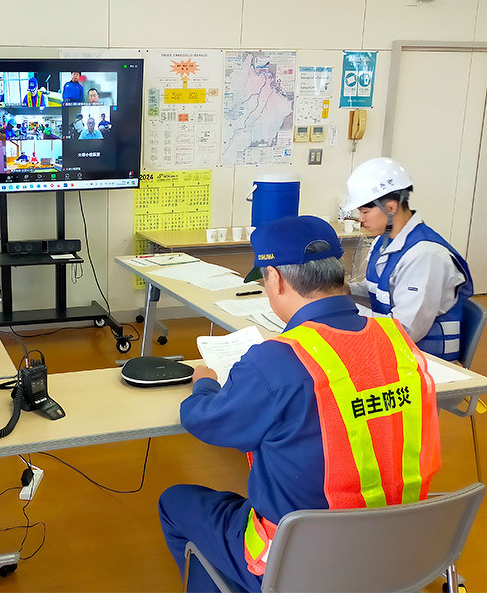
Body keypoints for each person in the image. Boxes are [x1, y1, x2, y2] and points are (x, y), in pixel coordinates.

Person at [159, 215, 440, 592]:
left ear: (274, 278)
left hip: (302, 562)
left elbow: (208, 422)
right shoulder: (397, 340)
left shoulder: (277, 360)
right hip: (398, 548)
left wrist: (204, 384)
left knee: (176, 502)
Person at [344, 157, 473, 361]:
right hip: (394, 353)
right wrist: (347, 291)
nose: (360, 219)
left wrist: (343, 314)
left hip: (427, 364)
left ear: (391, 208)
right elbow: (382, 291)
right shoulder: (384, 241)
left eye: (365, 211)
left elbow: (404, 331)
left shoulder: (425, 256)